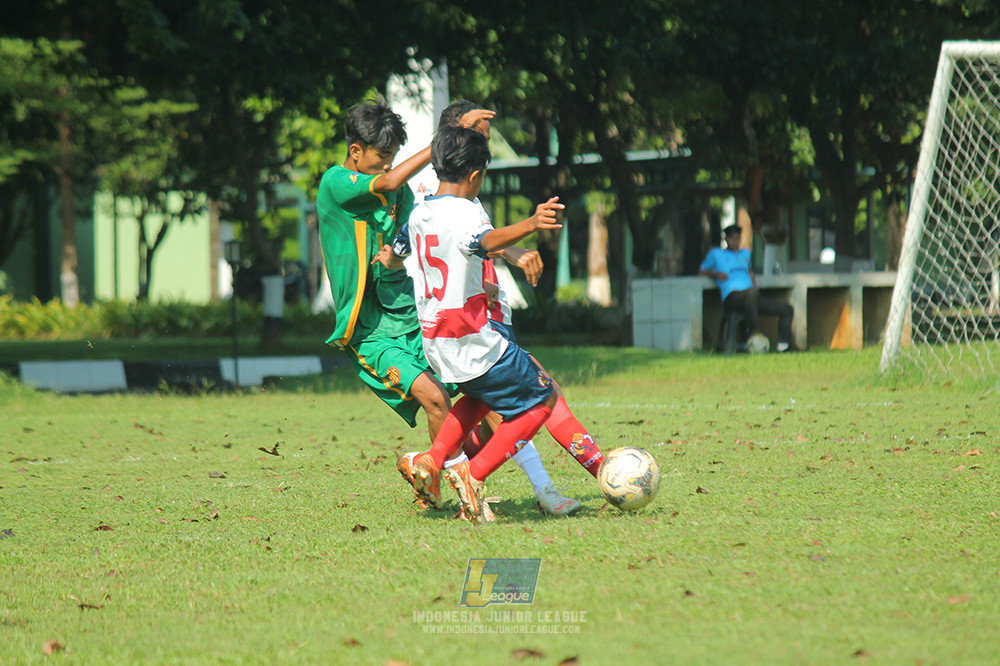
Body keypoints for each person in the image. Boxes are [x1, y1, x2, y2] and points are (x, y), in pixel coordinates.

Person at [314, 97, 578, 518]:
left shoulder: (408, 197)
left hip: (411, 315)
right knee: (437, 400)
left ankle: (508, 481)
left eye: (393, 159)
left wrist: (502, 259)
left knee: (481, 397)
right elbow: (385, 187)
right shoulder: (335, 181)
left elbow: (452, 235)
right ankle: (463, 487)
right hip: (369, 329)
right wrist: (442, 140)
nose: (388, 168)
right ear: (355, 152)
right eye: (382, 158)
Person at [383, 124, 606, 523]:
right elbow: (484, 241)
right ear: (475, 175)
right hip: (473, 338)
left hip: (437, 342)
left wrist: (389, 261)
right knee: (540, 401)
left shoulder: (420, 213)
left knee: (480, 398)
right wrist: (531, 223)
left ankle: (434, 460)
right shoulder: (465, 212)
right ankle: (474, 473)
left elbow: (397, 253)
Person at [699, 223, 794, 352]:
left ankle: (784, 346)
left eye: (737, 238)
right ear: (726, 239)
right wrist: (716, 274)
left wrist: (753, 281)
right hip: (732, 296)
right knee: (751, 293)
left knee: (787, 309)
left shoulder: (745, 254)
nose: (735, 242)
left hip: (751, 296)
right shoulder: (716, 254)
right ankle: (753, 333)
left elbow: (749, 271)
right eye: (732, 239)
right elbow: (702, 271)